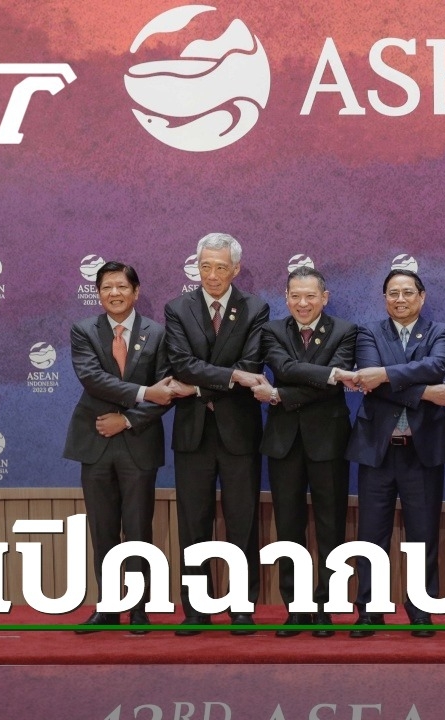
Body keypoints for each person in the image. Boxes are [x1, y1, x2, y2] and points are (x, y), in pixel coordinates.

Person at [341, 268, 445, 639]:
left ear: (421, 297)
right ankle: (369, 609)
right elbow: (369, 380)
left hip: (422, 449)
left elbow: (436, 366)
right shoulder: (368, 332)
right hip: (377, 448)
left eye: (408, 292)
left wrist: (385, 374)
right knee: (371, 534)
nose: (400, 299)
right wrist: (424, 392)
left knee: (423, 534)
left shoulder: (440, 331)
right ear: (384, 299)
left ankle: (421, 608)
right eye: (393, 293)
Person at [164, 232, 271, 635]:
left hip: (239, 431)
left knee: (243, 521)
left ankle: (242, 608)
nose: (211, 274)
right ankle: (196, 609)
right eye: (205, 266)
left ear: (236, 269)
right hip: (193, 432)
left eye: (220, 267)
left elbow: (252, 364)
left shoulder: (255, 308)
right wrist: (231, 377)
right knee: (194, 522)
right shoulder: (178, 308)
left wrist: (197, 388)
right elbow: (181, 364)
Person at [64, 261, 175, 634]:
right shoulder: (84, 330)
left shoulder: (157, 334)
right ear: (98, 293)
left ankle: (139, 609)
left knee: (139, 529)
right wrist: (143, 392)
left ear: (136, 292)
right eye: (107, 287)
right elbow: (93, 378)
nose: (115, 293)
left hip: (138, 441)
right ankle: (109, 607)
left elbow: (166, 392)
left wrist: (126, 420)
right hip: (95, 441)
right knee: (103, 530)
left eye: (122, 286)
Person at [255, 266, 358, 638]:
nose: (303, 303)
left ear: (324, 298)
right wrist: (327, 374)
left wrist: (279, 394)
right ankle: (296, 608)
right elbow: (283, 367)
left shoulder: (346, 331)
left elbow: (333, 382)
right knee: (288, 525)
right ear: (286, 298)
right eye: (295, 296)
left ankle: (325, 607)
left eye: (310, 296)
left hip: (328, 440)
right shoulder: (272, 331)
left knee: (331, 524)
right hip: (284, 442)